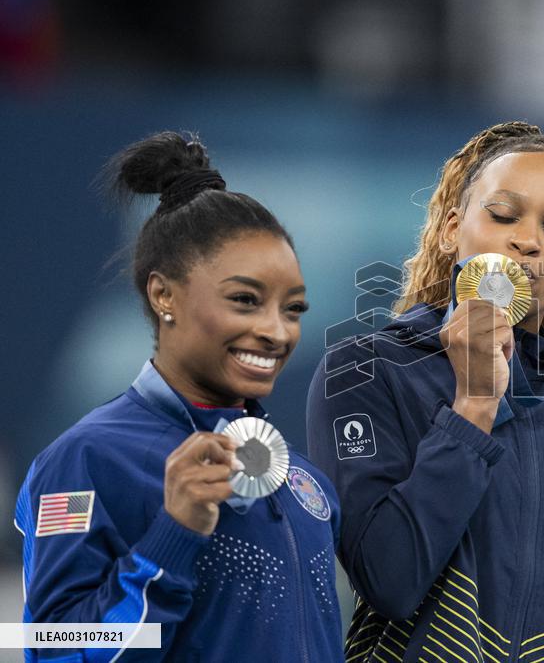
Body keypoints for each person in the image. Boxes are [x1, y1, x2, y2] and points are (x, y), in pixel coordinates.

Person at [307, 122, 544, 661]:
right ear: (453, 228)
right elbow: (390, 578)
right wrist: (474, 404)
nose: (527, 239)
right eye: (503, 215)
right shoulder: (366, 371)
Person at [15, 132, 345, 661]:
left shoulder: (305, 484)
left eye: (293, 309)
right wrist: (173, 536)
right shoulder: (85, 460)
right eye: (245, 300)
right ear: (163, 294)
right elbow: (50, 650)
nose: (277, 332)